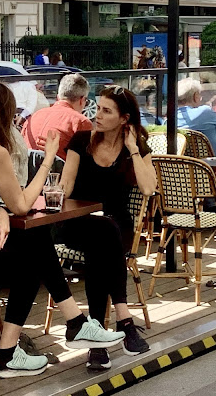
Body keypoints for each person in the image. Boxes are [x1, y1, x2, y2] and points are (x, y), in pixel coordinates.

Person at [0, 80, 125, 379]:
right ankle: (56, 332)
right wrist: (49, 158)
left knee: (34, 239)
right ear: (1, 114)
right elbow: (23, 205)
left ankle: (66, 329)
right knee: (32, 261)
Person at [58, 85, 156, 370]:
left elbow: (149, 188)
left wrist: (134, 150)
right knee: (104, 233)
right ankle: (125, 321)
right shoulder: (80, 141)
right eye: (97, 108)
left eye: (106, 110)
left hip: (115, 226)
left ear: (124, 119)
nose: (97, 115)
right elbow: (65, 188)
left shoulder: (135, 148)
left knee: (105, 238)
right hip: (79, 222)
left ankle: (97, 344)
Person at [21, 73, 93, 160]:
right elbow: (88, 161)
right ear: (82, 100)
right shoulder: (81, 122)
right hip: (61, 171)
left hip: (28, 171)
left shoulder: (33, 117)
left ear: (58, 97)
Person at [176, 78, 216, 156]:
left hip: (190, 164)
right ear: (195, 96)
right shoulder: (205, 112)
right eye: (199, 94)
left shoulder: (171, 119)